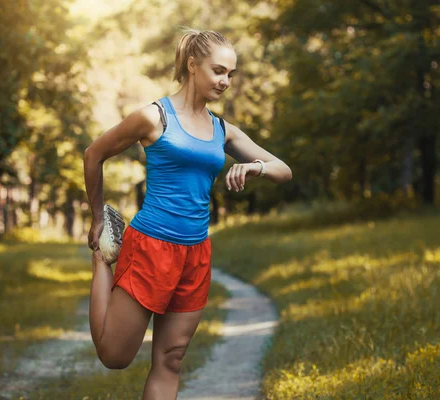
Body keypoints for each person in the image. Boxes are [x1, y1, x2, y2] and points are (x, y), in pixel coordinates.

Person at [83, 27, 292, 400]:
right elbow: (93, 154)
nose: (225, 81)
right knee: (115, 356)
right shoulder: (154, 117)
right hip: (150, 247)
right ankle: (102, 259)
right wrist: (98, 217)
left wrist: (256, 167)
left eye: (230, 73)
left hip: (195, 255)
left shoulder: (221, 130)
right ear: (192, 65)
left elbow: (283, 169)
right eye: (218, 71)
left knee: (172, 358)